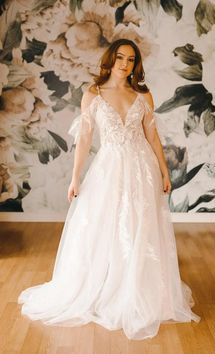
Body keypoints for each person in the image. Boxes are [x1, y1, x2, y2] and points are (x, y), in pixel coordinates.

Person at [18, 38, 201, 340]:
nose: (125, 64)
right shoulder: (94, 94)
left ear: (135, 65)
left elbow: (152, 138)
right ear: (110, 59)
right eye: (120, 58)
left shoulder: (143, 95)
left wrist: (166, 172)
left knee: (139, 226)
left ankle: (139, 288)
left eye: (131, 60)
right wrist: (75, 178)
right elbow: (85, 139)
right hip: (110, 169)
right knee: (105, 226)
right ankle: (106, 286)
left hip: (143, 169)